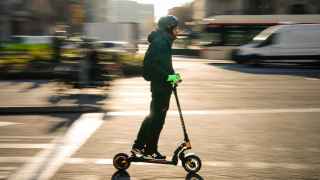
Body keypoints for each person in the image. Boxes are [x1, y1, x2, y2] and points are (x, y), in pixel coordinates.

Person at [131, 15, 182, 160]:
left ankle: (145, 148)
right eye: (175, 28)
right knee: (156, 118)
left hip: (162, 86)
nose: (177, 31)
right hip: (160, 87)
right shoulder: (161, 42)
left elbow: (163, 65)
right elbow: (154, 67)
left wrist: (173, 76)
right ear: (169, 28)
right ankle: (143, 148)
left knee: (155, 118)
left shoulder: (163, 41)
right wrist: (170, 77)